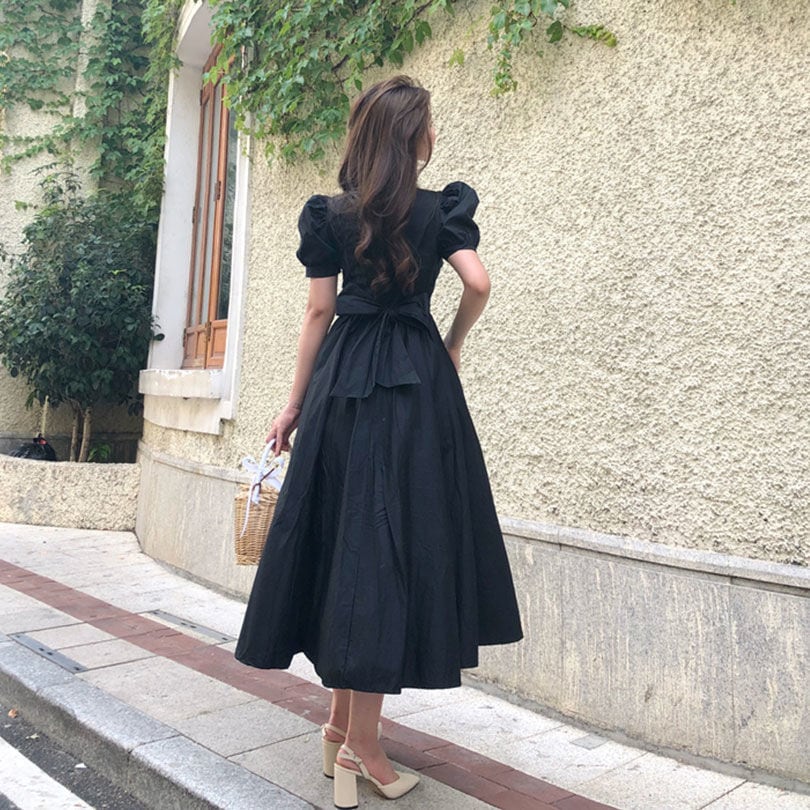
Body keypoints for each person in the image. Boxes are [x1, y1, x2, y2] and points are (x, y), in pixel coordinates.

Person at [235, 75, 523, 808]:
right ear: (411, 137)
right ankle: (360, 746)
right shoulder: (439, 210)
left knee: (349, 545)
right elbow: (479, 283)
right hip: (415, 389)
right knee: (387, 552)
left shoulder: (331, 215)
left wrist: (293, 405)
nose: (435, 133)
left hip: (342, 385)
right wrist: (451, 343)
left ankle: (340, 725)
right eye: (429, 123)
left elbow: (317, 313)